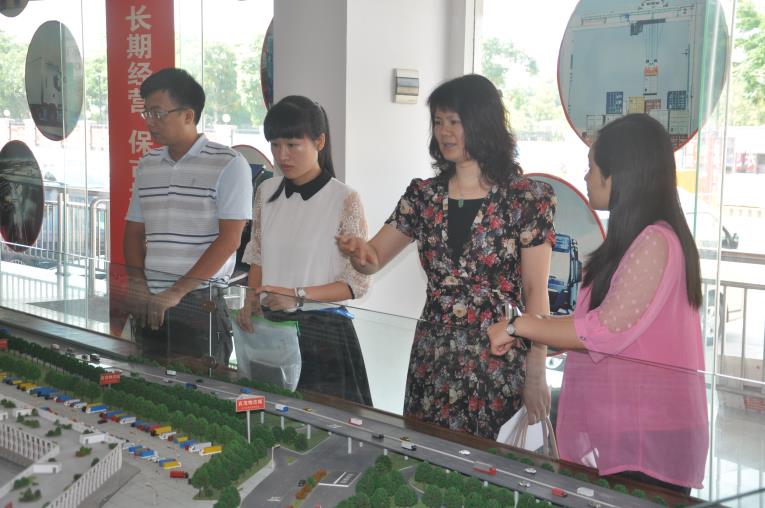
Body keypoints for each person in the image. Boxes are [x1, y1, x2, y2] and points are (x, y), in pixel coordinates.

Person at [488, 113, 708, 493]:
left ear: (618, 175)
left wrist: (517, 325)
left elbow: (602, 330)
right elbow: (597, 324)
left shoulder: (655, 241)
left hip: (650, 432)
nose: (586, 176)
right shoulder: (638, 239)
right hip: (632, 422)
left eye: (592, 167)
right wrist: (536, 331)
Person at [337, 74, 556, 439]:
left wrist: (537, 369)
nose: (444, 132)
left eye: (454, 121)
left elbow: (536, 289)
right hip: (434, 353)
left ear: (482, 122)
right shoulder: (423, 196)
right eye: (438, 122)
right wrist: (359, 253)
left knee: (488, 463)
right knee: (427, 455)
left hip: (498, 354)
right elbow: (373, 258)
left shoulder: (528, 198)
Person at [236, 95, 372, 405]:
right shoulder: (266, 191)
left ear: (319, 142)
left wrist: (297, 295)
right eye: (275, 145)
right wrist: (251, 299)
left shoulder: (345, 199)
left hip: (323, 334)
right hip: (272, 329)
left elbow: (356, 284)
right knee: (266, 421)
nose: (282, 155)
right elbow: (258, 257)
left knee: (323, 429)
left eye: (292, 145)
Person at [124, 68, 252, 368]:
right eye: (147, 113)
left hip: (199, 302)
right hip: (151, 300)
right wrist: (137, 283)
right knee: (145, 385)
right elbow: (133, 232)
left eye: (158, 113)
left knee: (198, 391)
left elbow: (230, 239)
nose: (150, 122)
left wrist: (177, 292)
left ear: (188, 115)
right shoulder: (148, 164)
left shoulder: (229, 164)